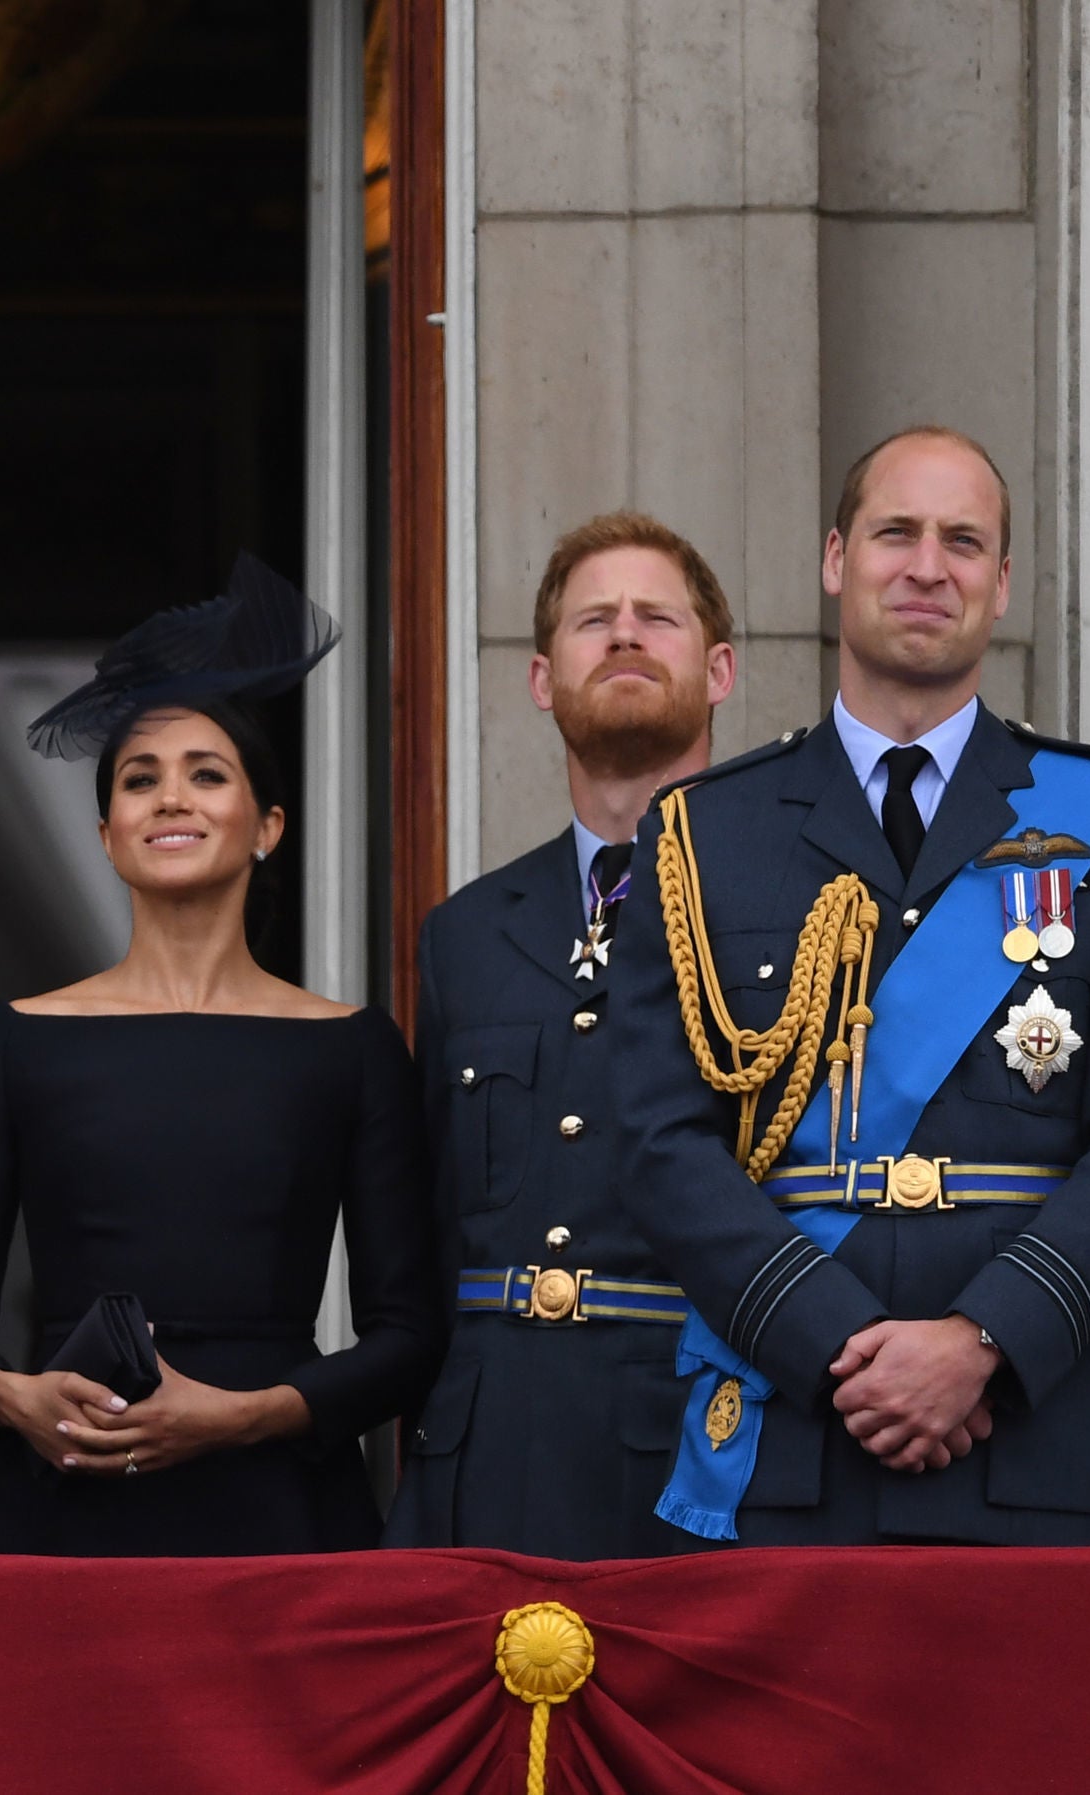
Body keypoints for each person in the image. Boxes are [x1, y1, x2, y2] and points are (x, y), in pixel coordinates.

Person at [605, 425, 1090, 1545]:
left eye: (962, 541)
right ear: (836, 559)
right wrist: (837, 1342)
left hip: (1033, 1438)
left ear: (999, 583)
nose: (927, 566)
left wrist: (979, 1341)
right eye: (896, 532)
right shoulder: (701, 832)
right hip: (791, 1429)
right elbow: (656, 1138)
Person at [0, 558, 442, 1556]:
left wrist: (244, 1414)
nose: (169, 798)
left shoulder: (350, 1047)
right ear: (107, 834)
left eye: (206, 772)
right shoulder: (13, 1039)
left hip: (279, 1515)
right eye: (138, 779)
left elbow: (408, 1337)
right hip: (62, 1503)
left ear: (267, 826)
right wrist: (11, 1395)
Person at [388, 512, 739, 1559]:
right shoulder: (465, 933)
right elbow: (437, 1219)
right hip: (487, 1448)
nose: (622, 635)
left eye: (653, 618)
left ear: (717, 669)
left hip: (696, 1450)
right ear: (542, 678)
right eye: (593, 620)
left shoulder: (793, 906)